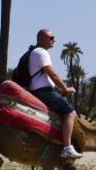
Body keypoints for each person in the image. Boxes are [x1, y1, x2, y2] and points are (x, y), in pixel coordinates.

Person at [27, 29, 81, 160]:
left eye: (53, 37)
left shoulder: (33, 52)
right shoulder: (41, 52)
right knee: (70, 113)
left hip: (38, 90)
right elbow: (53, 74)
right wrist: (65, 88)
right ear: (41, 38)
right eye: (51, 37)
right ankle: (67, 148)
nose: (54, 40)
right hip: (43, 91)